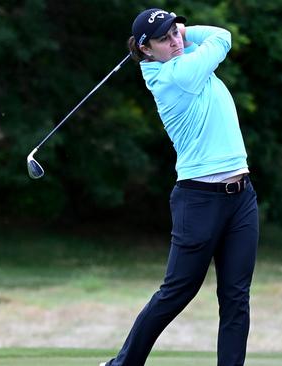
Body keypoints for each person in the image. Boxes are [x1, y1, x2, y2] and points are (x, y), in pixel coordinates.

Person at [101, 8, 259, 366]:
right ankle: (123, 364)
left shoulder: (177, 59)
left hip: (241, 196)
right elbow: (223, 37)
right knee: (177, 291)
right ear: (145, 50)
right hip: (200, 200)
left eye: (175, 33)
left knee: (236, 297)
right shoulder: (175, 75)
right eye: (164, 38)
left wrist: (177, 34)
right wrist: (188, 34)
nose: (175, 41)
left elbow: (217, 36)